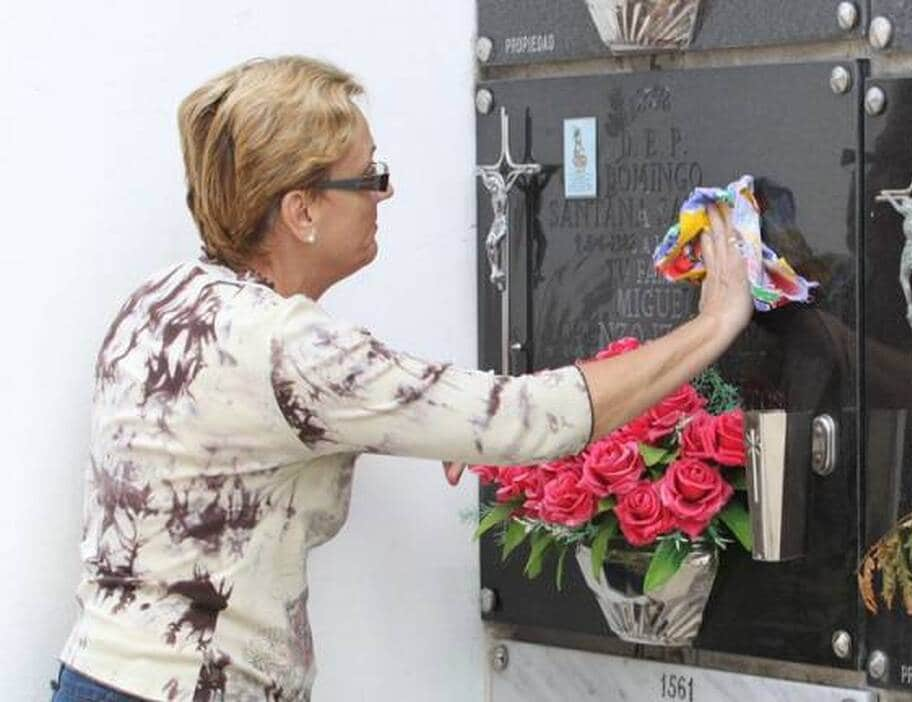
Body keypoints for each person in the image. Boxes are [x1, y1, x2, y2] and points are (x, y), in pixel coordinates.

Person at [52, 56, 750, 702]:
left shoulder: (160, 299)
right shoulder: (287, 346)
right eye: (368, 177)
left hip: (95, 677)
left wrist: (431, 417)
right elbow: (527, 418)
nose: (385, 193)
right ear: (301, 212)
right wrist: (711, 325)